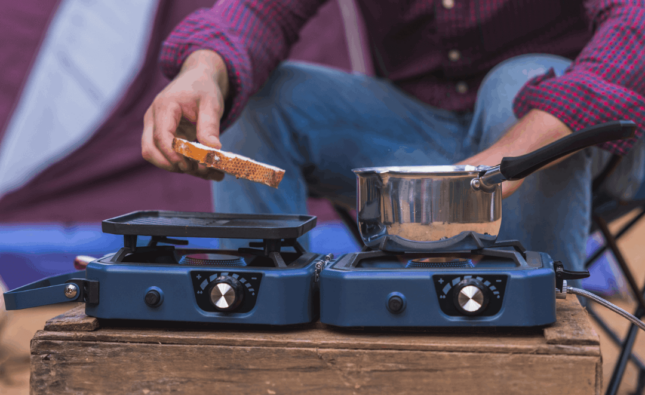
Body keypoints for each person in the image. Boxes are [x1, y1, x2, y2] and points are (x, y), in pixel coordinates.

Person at [142, 0, 645, 277]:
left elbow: (634, 19)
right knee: (259, 99)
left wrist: (514, 149)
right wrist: (203, 69)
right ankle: (259, 319)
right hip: (415, 140)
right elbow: (258, 12)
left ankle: (542, 346)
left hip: (572, 145)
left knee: (517, 82)